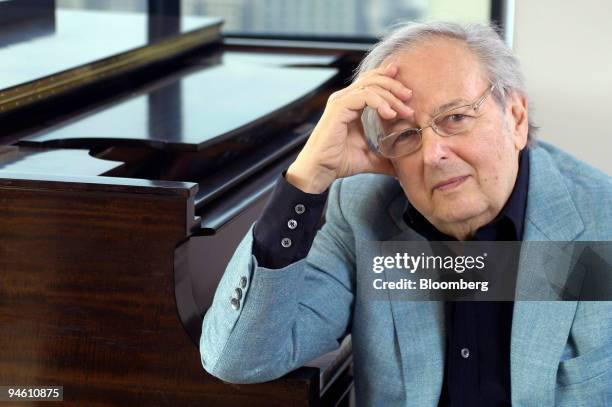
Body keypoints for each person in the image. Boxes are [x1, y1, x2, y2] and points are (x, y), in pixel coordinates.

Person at [200, 22, 612, 406]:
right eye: (406, 136)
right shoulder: (364, 211)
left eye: (455, 118)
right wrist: (307, 178)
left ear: (517, 118)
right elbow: (239, 359)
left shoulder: (601, 223)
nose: (433, 155)